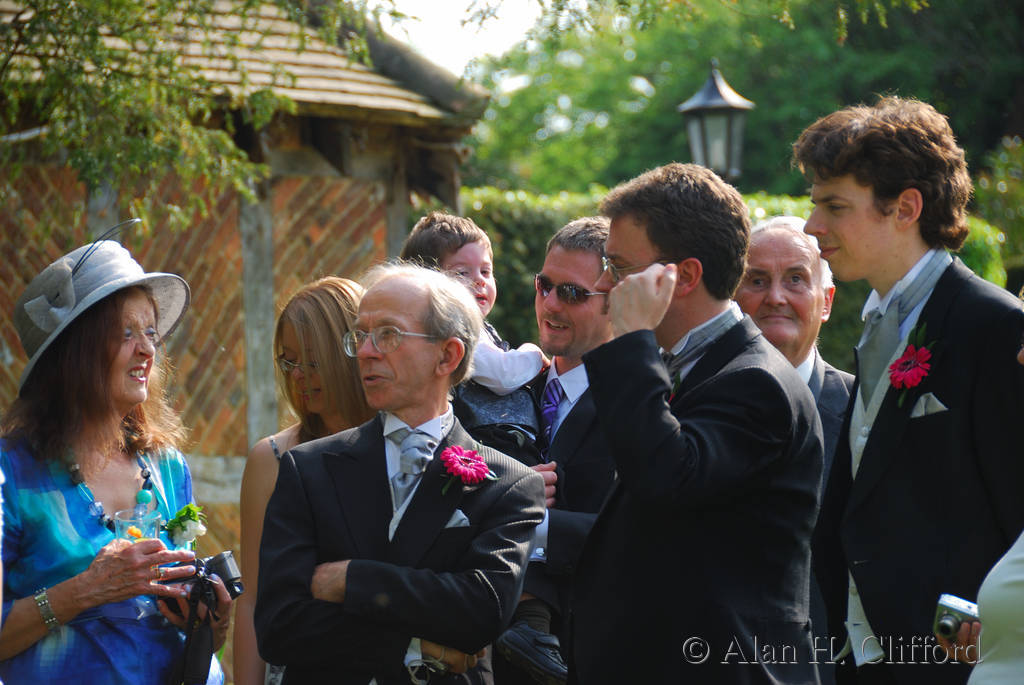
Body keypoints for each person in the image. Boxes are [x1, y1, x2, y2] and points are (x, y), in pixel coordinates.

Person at [793, 96, 1024, 684]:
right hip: (865, 660)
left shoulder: (996, 327)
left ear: (905, 208)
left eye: (834, 206)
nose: (812, 226)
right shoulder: (875, 321)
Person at [568, 163, 824, 684]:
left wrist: (631, 339)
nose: (602, 284)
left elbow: (664, 475)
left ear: (683, 277)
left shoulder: (757, 383)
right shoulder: (680, 364)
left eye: (618, 267)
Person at [254, 262, 546, 684]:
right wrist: (419, 647)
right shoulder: (309, 468)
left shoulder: (508, 485)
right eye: (361, 335)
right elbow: (280, 626)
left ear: (447, 355)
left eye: (388, 334)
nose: (366, 352)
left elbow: (482, 611)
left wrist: (352, 579)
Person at [0, 239, 231, 683]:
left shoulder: (167, 467)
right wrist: (86, 589)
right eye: (126, 333)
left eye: (151, 332)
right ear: (76, 352)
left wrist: (209, 622)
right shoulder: (12, 474)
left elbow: (192, 635)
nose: (147, 350)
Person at [233, 277, 375, 685]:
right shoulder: (271, 459)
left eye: (313, 362)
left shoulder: (400, 447)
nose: (298, 376)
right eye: (289, 361)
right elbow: (253, 599)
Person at [494, 218, 617, 685]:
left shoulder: (645, 405)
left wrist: (526, 518)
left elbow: (642, 536)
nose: (549, 304)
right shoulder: (507, 389)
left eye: (572, 293)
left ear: (616, 300)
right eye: (544, 285)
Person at [735, 215, 855, 685]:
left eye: (796, 279)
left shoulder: (865, 411)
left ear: (827, 301)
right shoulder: (689, 405)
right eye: (757, 280)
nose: (775, 297)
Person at [400, 212, 547, 463]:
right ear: (427, 283)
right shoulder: (454, 329)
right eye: (462, 273)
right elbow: (502, 374)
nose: (479, 281)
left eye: (486, 271)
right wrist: (533, 354)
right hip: (486, 444)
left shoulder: (477, 327)